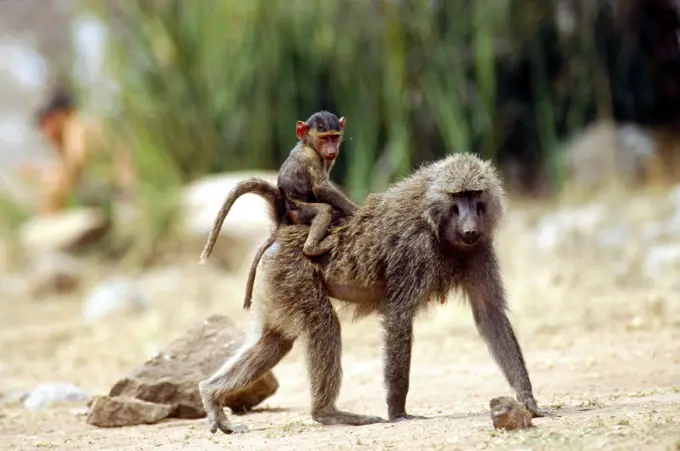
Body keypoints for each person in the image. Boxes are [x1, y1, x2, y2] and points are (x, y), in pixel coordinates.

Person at [29, 87, 136, 214]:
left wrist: (49, 178)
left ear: (63, 113)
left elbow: (76, 163)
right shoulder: (75, 129)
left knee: (52, 188)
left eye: (49, 121)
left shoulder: (76, 126)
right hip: (109, 194)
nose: (47, 132)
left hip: (122, 195)